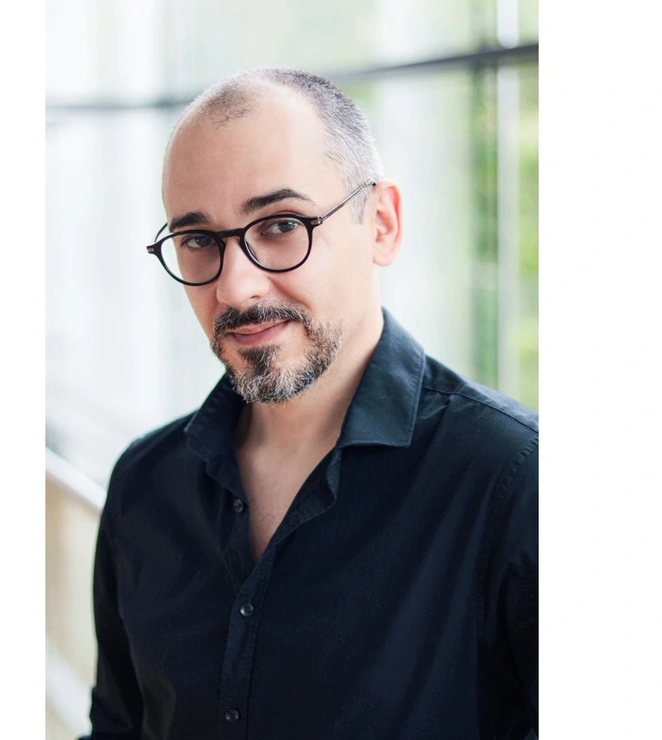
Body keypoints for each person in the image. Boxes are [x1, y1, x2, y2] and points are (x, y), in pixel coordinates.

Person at [83, 67, 538, 740]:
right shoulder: (144, 484)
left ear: (381, 224)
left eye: (281, 225)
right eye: (199, 240)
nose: (236, 288)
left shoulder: (515, 482)